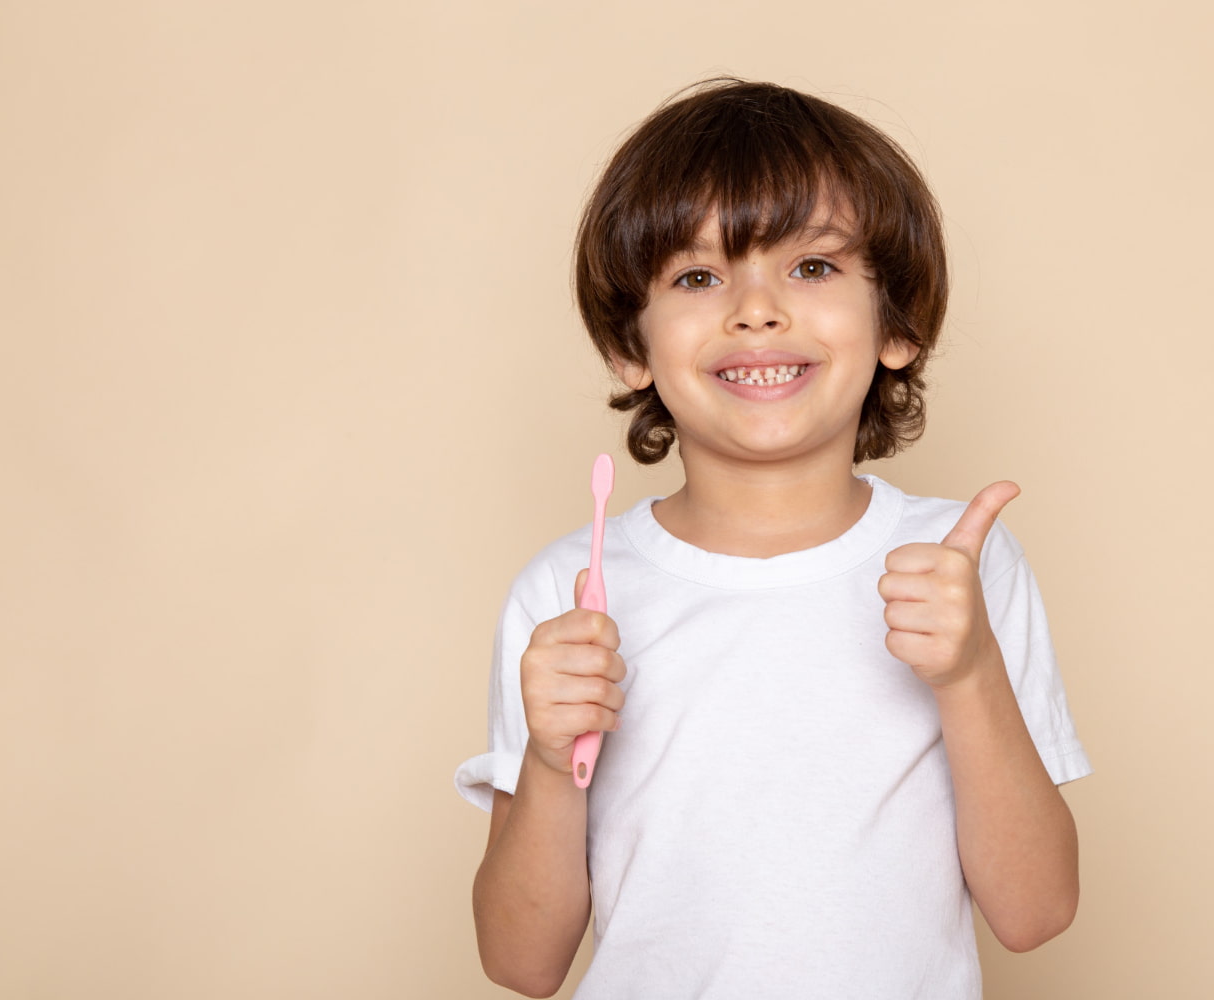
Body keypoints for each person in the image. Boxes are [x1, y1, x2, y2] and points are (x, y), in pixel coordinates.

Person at [454, 78, 1091, 999]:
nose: (756, 310)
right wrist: (552, 766)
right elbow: (521, 964)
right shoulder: (570, 592)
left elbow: (1036, 913)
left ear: (897, 326)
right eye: (698, 277)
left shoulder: (961, 568)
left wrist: (969, 674)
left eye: (813, 268)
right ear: (631, 347)